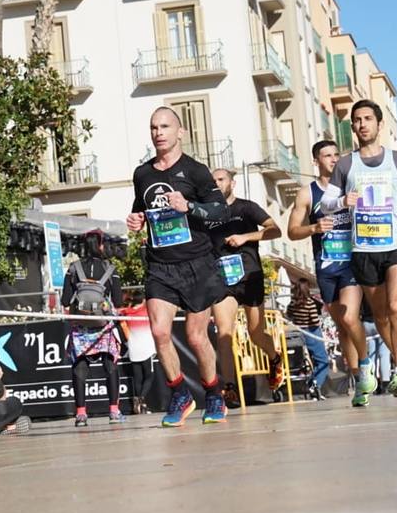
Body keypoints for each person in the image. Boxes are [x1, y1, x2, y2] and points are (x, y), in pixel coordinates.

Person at [124, 106, 231, 427]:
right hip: (160, 266)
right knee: (159, 331)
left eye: (165, 126)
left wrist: (190, 206)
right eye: (154, 127)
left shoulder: (196, 171)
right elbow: (140, 209)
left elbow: (221, 212)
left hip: (197, 264)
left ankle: (213, 394)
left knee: (197, 337)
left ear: (180, 132)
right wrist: (136, 219)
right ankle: (180, 394)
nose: (159, 132)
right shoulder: (142, 174)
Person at [315, 100, 397, 401]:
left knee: (395, 306)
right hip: (363, 247)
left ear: (379, 124)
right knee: (379, 315)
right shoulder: (345, 164)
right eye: (357, 120)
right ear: (352, 127)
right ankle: (396, 367)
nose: (362, 124)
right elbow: (326, 202)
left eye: (368, 118)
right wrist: (342, 202)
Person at [288, 140, 371, 405]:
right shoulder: (307, 194)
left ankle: (366, 364)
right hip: (325, 267)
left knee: (349, 318)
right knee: (341, 327)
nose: (334, 159)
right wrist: (313, 228)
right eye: (327, 155)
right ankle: (359, 380)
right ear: (316, 161)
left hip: (352, 263)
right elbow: (292, 231)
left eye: (337, 155)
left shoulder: (352, 188)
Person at [206, 168, 285, 405]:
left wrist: (245, 237)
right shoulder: (207, 213)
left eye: (221, 180)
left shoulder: (246, 208)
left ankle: (274, 357)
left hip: (250, 275)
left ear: (232, 183)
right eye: (213, 181)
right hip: (221, 279)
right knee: (224, 334)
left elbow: (275, 230)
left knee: (255, 332)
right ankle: (229, 388)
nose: (216, 184)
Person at [60, 230, 125, 426]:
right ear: (101, 245)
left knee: (79, 367)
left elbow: (64, 300)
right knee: (110, 365)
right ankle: (114, 411)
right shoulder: (110, 269)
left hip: (80, 328)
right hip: (103, 326)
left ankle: (80, 414)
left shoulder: (73, 269)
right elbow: (119, 301)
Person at [286, 278, 329, 397]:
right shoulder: (310, 303)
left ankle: (311, 384)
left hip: (299, 334)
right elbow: (314, 321)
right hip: (312, 333)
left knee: (311, 361)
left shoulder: (292, 303)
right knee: (323, 361)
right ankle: (315, 384)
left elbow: (288, 315)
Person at [117, 291, 155, 414]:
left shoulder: (126, 313)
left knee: (137, 378)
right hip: (147, 348)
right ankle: (141, 401)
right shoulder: (146, 310)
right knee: (149, 376)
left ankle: (138, 406)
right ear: (143, 300)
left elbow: (118, 311)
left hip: (133, 348)